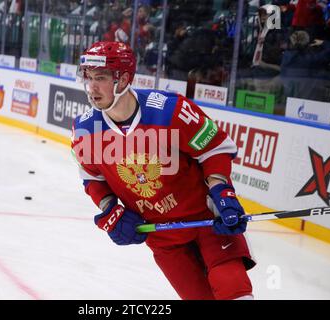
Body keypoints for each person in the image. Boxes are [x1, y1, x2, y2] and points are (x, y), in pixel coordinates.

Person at [71, 41, 256, 300]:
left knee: (235, 293)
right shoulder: (85, 130)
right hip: (163, 237)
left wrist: (222, 192)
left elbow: (214, 148)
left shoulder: (170, 110)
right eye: (88, 78)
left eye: (100, 78)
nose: (91, 87)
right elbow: (92, 179)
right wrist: (110, 209)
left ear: (123, 79)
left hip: (208, 222)